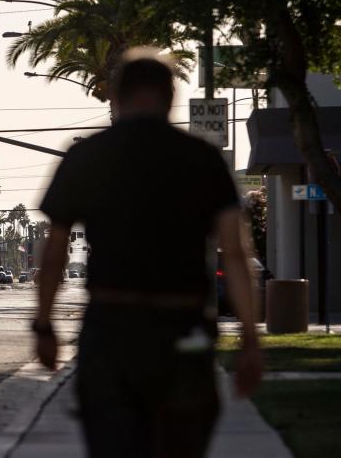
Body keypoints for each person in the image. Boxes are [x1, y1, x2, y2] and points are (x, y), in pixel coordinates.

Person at [33, 49, 262, 458]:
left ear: (116, 98)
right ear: (170, 96)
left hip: (111, 332)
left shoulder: (88, 155)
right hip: (184, 332)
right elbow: (237, 253)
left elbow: (54, 253)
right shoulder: (202, 158)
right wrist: (249, 340)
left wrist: (45, 328)